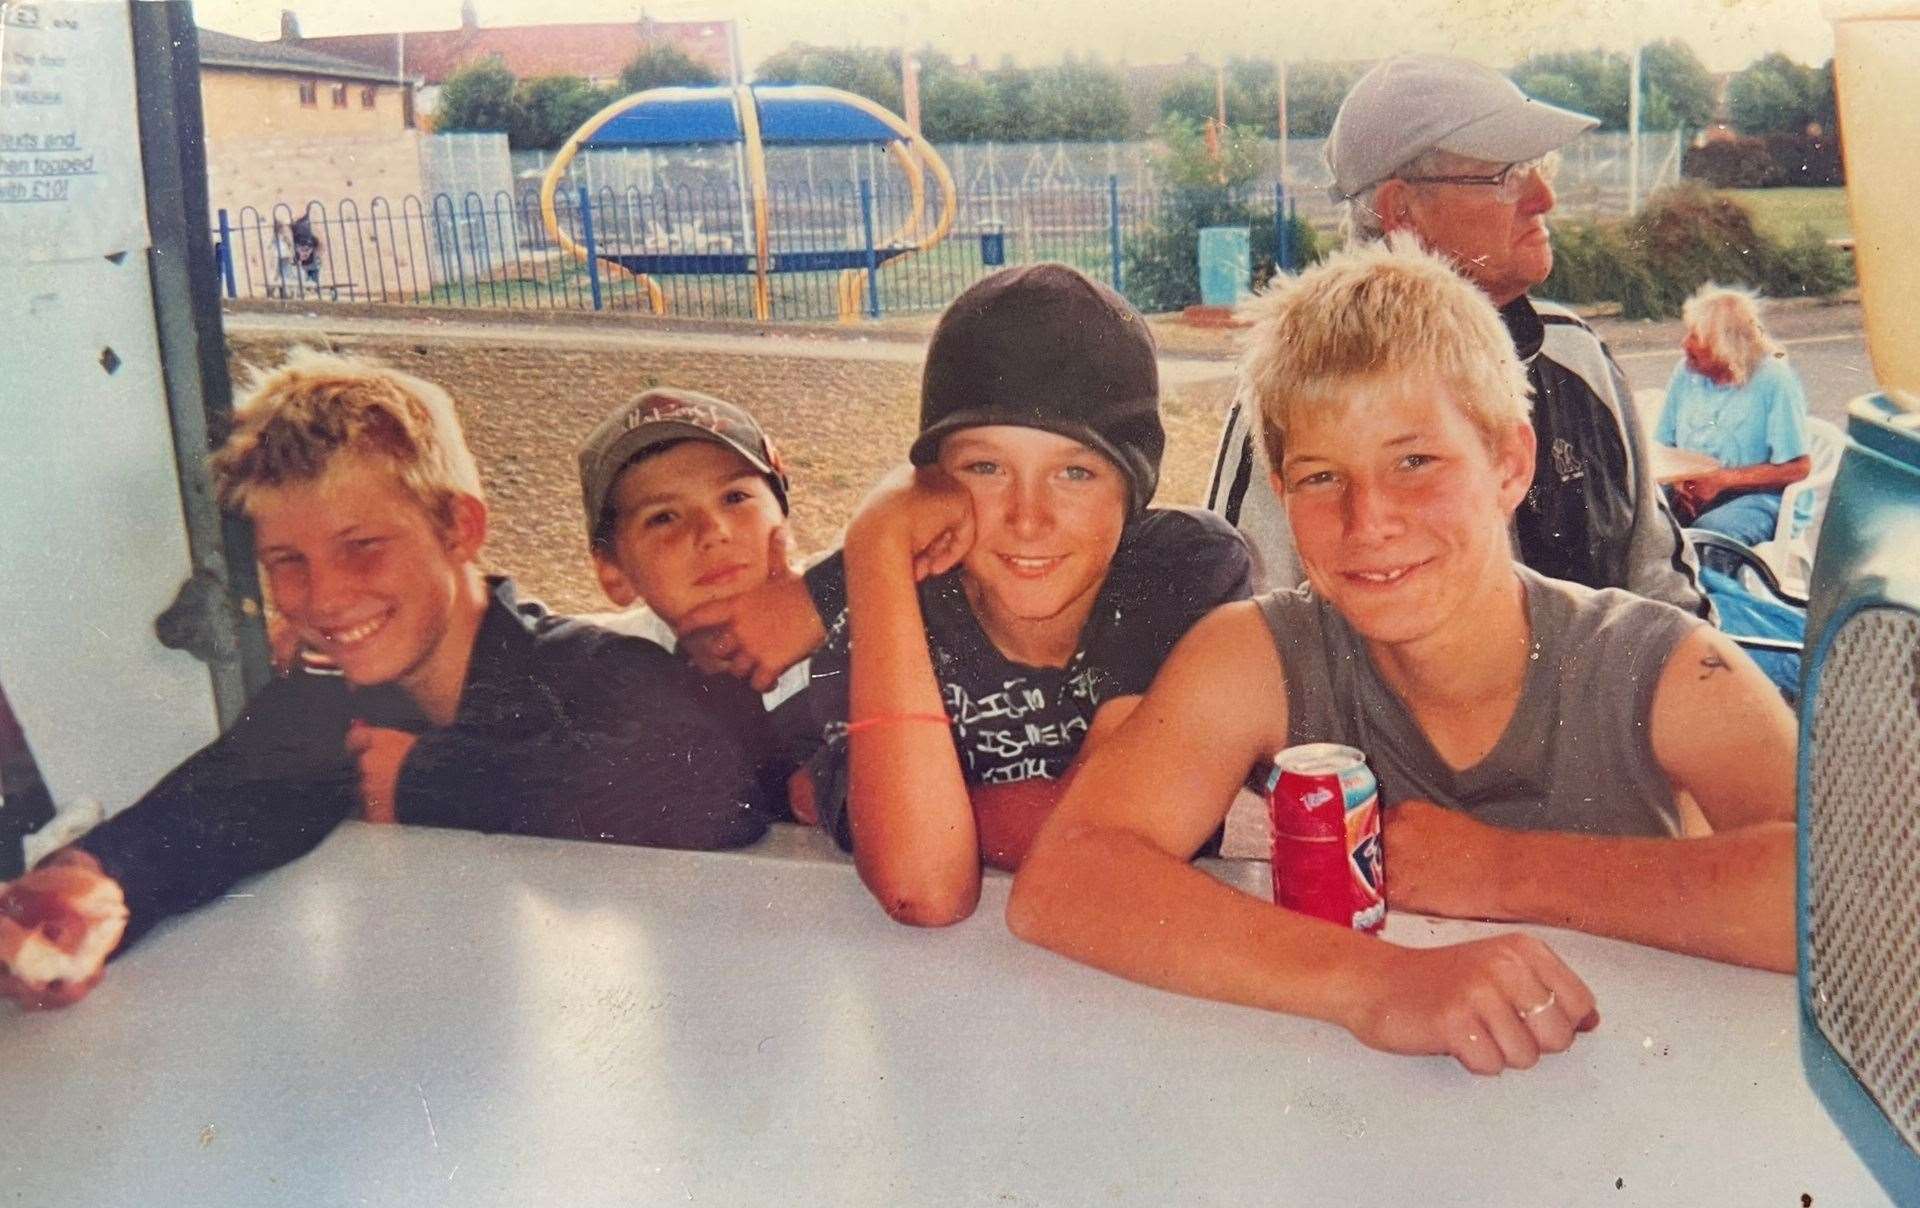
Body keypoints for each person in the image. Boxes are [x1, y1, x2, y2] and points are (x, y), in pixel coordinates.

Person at [1009, 241, 1796, 1077]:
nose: (1368, 519)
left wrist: (1499, 870)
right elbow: (1070, 877)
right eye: (1321, 478)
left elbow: (1862, 904)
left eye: (1415, 461)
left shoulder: (1667, 667)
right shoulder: (1258, 653)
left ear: (1509, 464)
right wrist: (1380, 986)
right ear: (1280, 490)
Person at [0, 351, 778, 1010]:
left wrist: (423, 781)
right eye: (287, 563)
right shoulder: (333, 697)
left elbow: (713, 788)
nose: (327, 596)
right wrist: (89, 882)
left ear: (459, 528)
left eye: (362, 545)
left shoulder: (585, 665)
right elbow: (216, 804)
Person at [682, 264, 1252, 924]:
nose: (1027, 517)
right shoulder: (894, 602)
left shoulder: (1179, 568)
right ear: (931, 483)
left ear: (1135, 486)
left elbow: (1099, 839)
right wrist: (875, 540)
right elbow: (923, 887)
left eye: (1075, 472)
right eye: (986, 468)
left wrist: (935, 813)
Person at [1205, 54, 1708, 620]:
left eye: (1540, 166)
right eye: (1506, 174)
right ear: (1401, 208)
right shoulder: (1303, 388)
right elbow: (1247, 631)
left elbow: (1664, 587)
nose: (1545, 198)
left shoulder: (1577, 358)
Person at [575, 386, 818, 804]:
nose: (712, 532)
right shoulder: (605, 669)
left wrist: (828, 599)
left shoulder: (863, 614)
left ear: (784, 519)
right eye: (663, 517)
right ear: (613, 572)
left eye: (735, 497)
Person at [1658, 285, 1812, 546]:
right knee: (1634, 523)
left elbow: (1799, 468)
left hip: (1759, 499)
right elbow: (1663, 445)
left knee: (1709, 536)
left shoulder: (1774, 380)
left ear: (1725, 346)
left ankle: (1713, 588)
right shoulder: (1685, 374)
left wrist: (1723, 481)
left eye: (1695, 337)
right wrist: (1683, 483)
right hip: (1694, 492)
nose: (1685, 344)